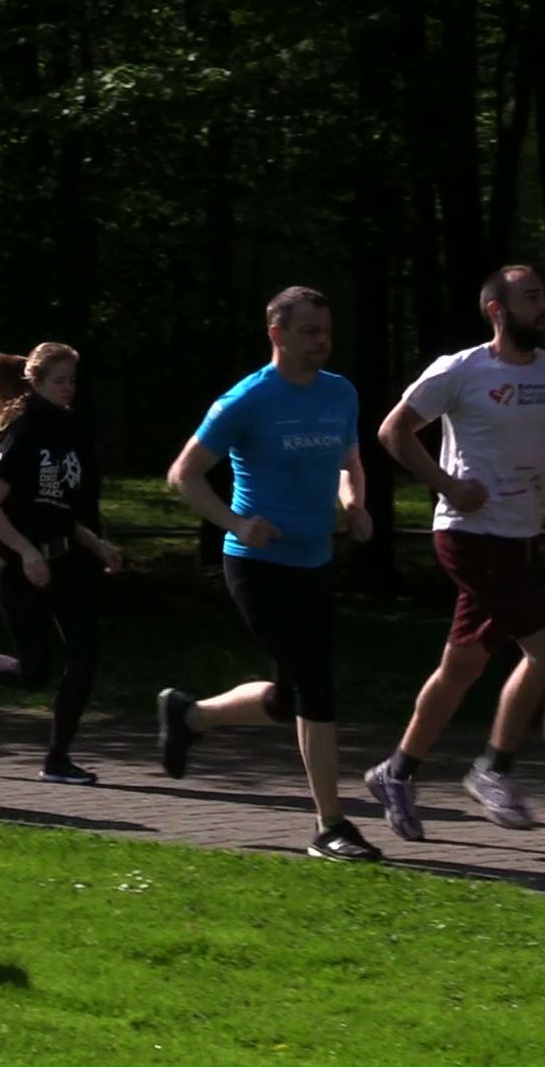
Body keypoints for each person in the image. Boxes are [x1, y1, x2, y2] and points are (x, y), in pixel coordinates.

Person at [160, 286, 381, 863]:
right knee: (317, 685)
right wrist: (236, 520)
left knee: (290, 698)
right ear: (277, 334)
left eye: (326, 331)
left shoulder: (341, 393)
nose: (321, 342)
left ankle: (189, 715)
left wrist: (353, 504)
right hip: (257, 566)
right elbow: (183, 475)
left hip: (314, 563)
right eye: (308, 332)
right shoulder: (248, 399)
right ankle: (330, 826)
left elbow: (348, 462)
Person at [366, 265, 545, 838]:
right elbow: (394, 432)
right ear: (498, 310)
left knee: (463, 663)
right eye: (532, 298)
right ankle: (493, 768)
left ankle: (396, 770)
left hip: (521, 535)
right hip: (468, 534)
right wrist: (447, 485)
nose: (543, 306)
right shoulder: (461, 370)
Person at [0, 343, 122, 785]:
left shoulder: (68, 431)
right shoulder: (23, 434)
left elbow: (59, 507)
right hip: (19, 566)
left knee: (84, 656)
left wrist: (97, 544)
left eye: (72, 381)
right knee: (34, 671)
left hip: (67, 562)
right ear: (36, 383)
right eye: (59, 381)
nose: (68, 389)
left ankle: (58, 760)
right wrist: (26, 552)